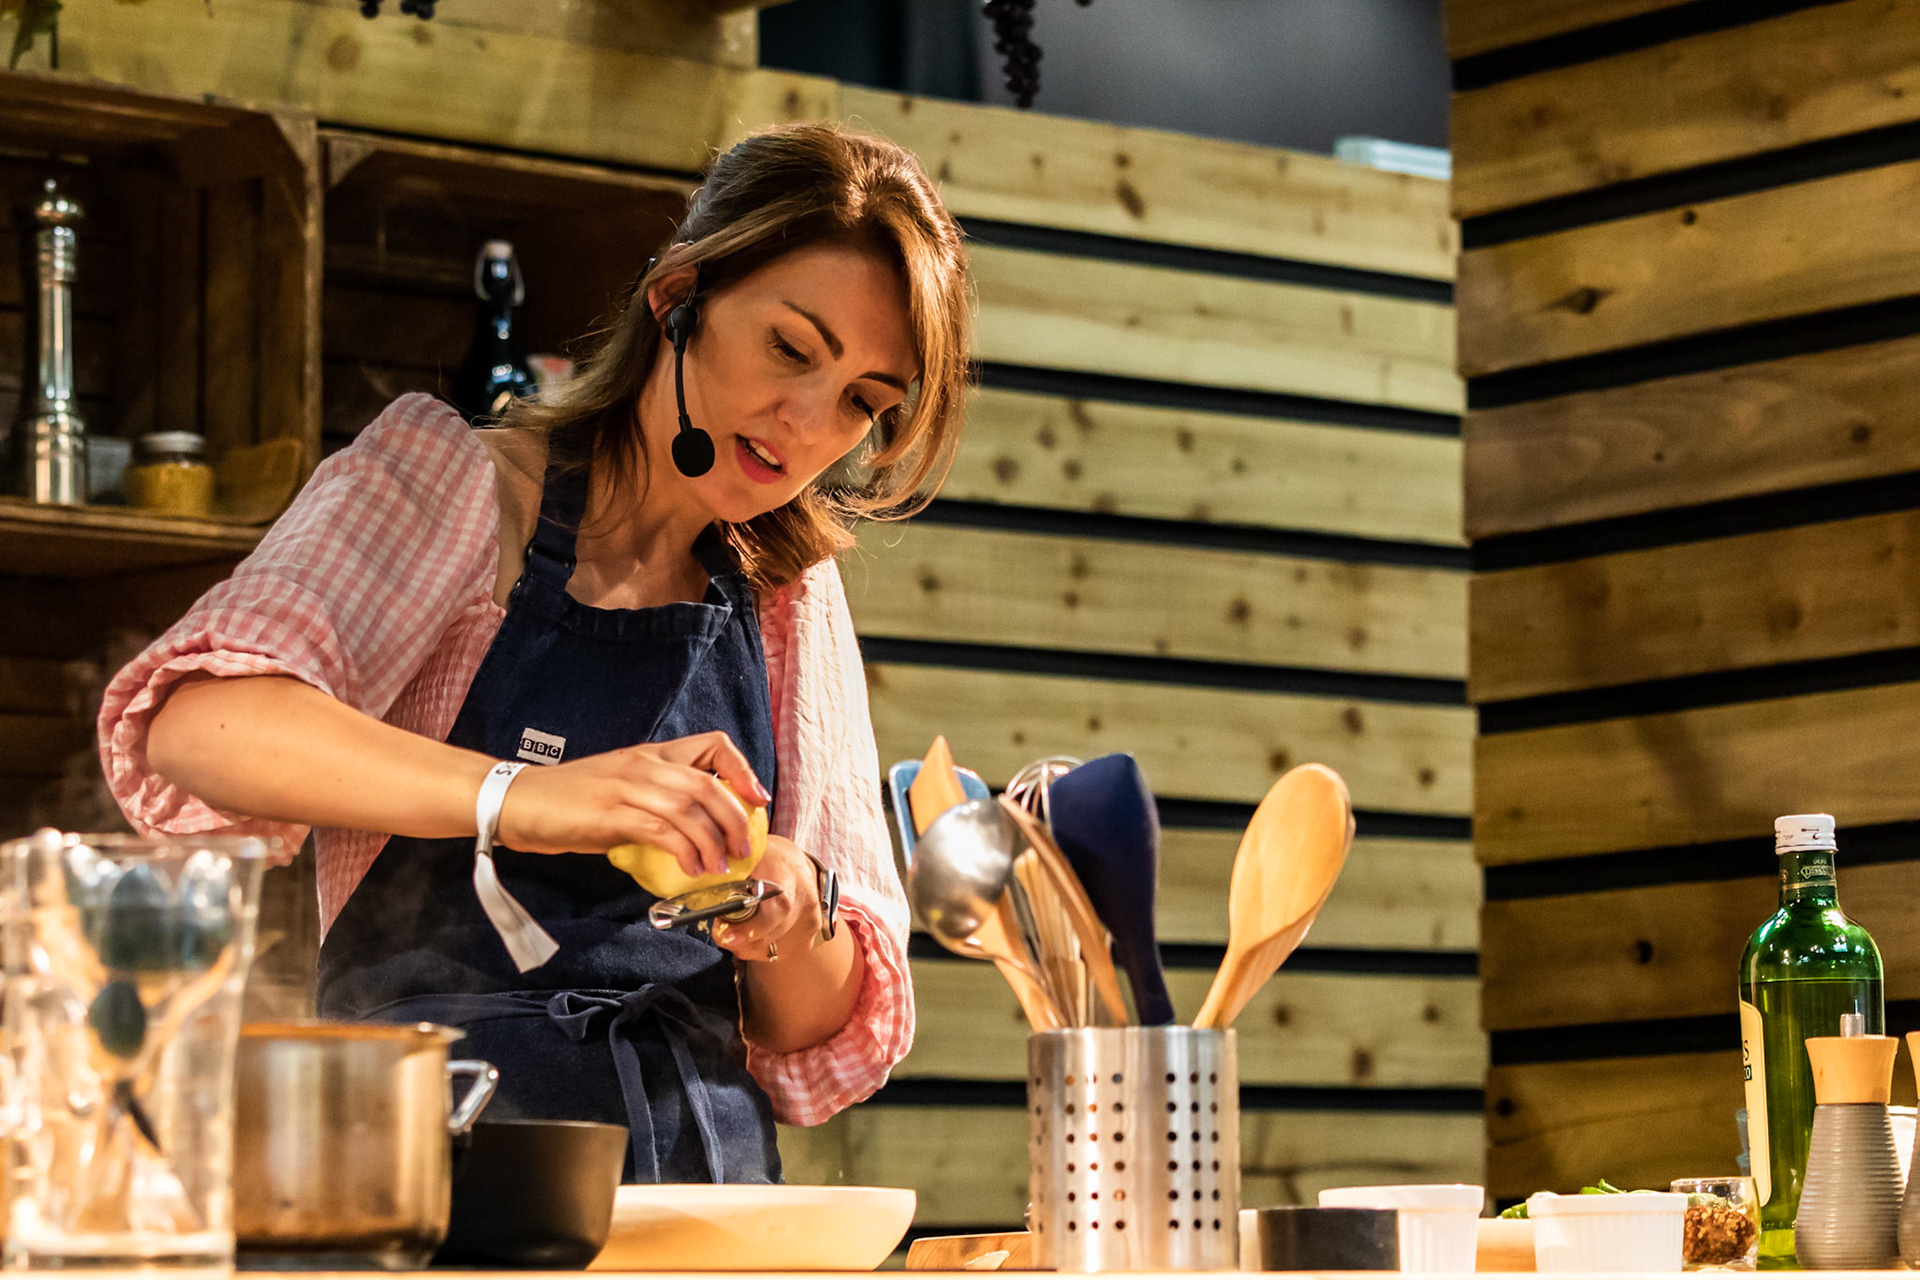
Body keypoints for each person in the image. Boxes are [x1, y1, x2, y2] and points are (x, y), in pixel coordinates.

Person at [96, 122, 972, 1184]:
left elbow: (811, 1028)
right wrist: (524, 796)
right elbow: (202, 721)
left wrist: (784, 908)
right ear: (678, 297)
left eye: (863, 404)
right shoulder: (460, 485)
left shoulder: (791, 593)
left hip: (706, 1202)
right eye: (791, 349)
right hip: (430, 1177)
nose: (807, 423)